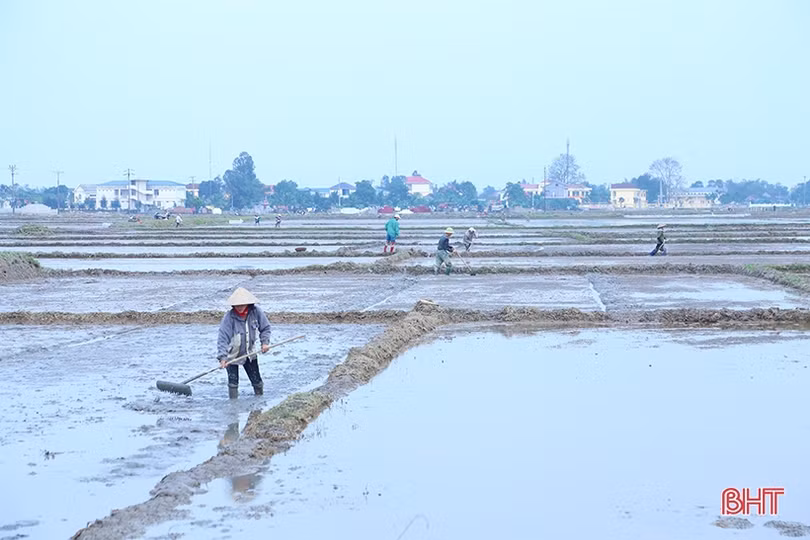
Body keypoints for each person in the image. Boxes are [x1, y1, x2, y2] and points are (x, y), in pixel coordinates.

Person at [217, 287, 272, 399]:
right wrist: (223, 357)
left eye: (242, 305)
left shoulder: (256, 312)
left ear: (248, 303)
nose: (240, 307)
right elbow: (223, 338)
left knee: (257, 381)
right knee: (233, 383)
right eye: (237, 305)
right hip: (232, 356)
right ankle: (233, 406)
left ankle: (259, 401)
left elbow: (265, 328)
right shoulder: (229, 317)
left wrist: (264, 343)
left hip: (249, 353)